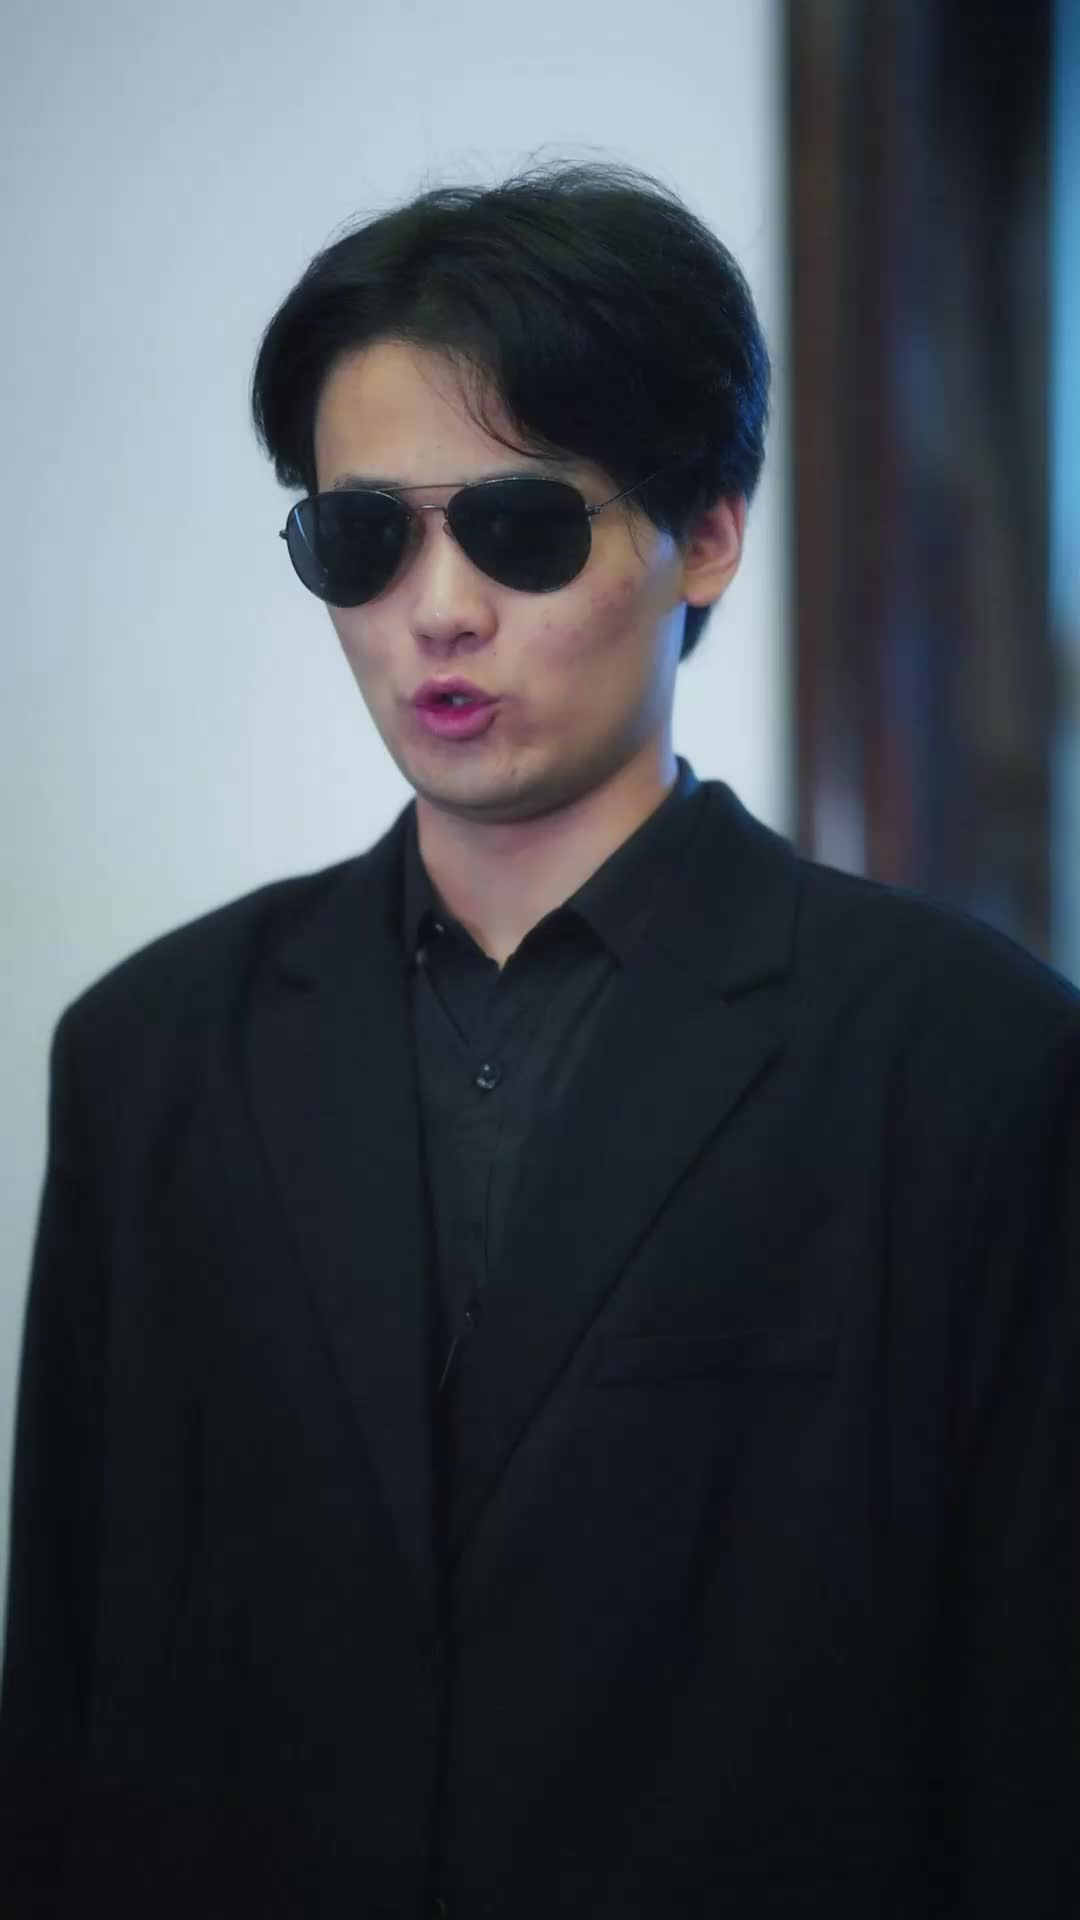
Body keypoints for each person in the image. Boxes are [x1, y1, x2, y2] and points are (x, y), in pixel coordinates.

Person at [1, 159, 1077, 1920]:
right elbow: (65, 1699)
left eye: (519, 526)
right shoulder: (151, 1059)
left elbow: (1033, 1734)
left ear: (707, 529)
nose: (438, 607)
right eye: (364, 538)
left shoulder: (967, 1064)